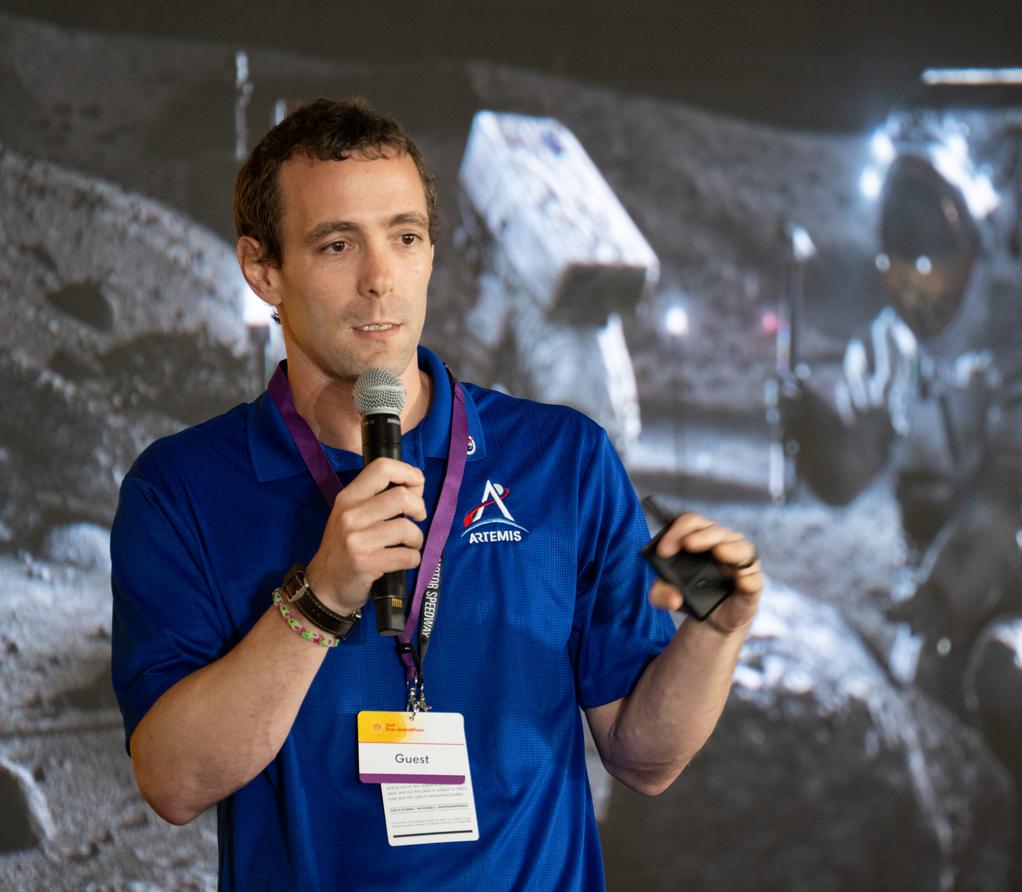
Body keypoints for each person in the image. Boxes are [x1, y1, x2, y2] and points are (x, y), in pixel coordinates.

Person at [110, 97, 763, 891]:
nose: (381, 279)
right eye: (337, 243)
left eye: (406, 237)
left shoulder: (565, 459)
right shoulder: (181, 488)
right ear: (263, 269)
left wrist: (714, 636)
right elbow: (174, 784)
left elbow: (644, 758)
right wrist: (318, 599)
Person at [786, 154, 1022, 892]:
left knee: (1000, 681)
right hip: (935, 608)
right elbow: (850, 472)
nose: (908, 281)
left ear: (967, 251)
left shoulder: (1019, 339)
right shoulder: (887, 349)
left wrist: (943, 593)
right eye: (892, 262)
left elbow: (1014, 489)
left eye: (924, 260)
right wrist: (812, 433)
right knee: (913, 725)